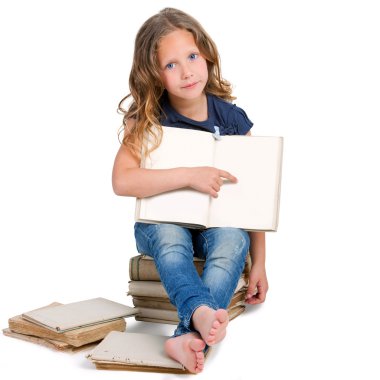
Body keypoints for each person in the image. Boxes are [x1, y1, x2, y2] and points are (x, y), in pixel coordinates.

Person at [112, 7, 268, 373]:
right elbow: (122, 180)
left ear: (207, 56)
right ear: (155, 74)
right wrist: (189, 175)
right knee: (170, 240)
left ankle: (187, 336)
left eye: (192, 56)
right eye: (171, 64)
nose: (186, 71)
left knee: (233, 240)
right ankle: (200, 314)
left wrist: (260, 263)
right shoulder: (151, 119)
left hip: (217, 225)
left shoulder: (231, 118)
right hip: (163, 223)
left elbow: (255, 196)